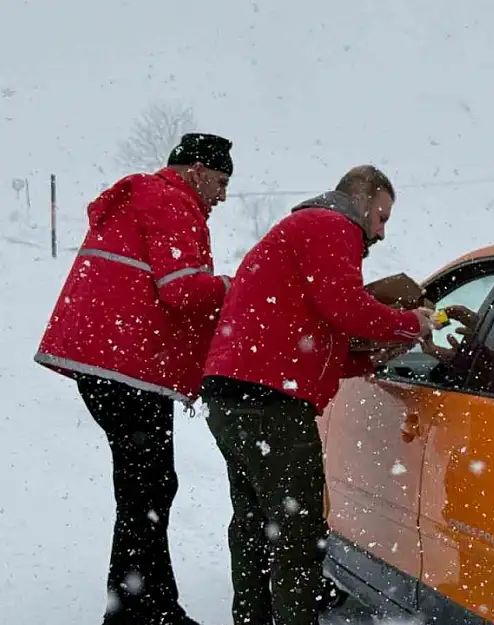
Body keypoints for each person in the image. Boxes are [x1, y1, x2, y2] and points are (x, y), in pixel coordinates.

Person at [199, 165, 438, 625]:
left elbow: (318, 336)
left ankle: (252, 617)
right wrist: (413, 323)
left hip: (232, 394)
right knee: (298, 532)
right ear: (362, 201)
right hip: (269, 401)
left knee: (255, 525)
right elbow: (344, 306)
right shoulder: (333, 226)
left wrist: (371, 361)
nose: (381, 233)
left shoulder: (301, 231)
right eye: (382, 218)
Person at [33, 133, 235, 625]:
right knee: (147, 488)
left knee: (147, 486)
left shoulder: (149, 197)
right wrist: (234, 286)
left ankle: (146, 604)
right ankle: (138, 609)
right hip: (126, 368)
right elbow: (182, 291)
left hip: (113, 365)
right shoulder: (170, 201)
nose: (224, 196)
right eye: (221, 181)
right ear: (195, 171)